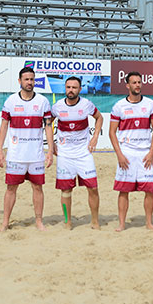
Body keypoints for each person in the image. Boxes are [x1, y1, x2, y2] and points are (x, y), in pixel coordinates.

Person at [0, 67, 54, 231]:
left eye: (32, 79)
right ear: (19, 81)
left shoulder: (42, 101)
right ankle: (5, 223)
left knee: (37, 188)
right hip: (16, 155)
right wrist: (0, 150)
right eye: (27, 79)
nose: (30, 82)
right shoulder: (11, 101)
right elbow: (4, 126)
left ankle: (39, 221)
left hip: (36, 155)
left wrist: (50, 151)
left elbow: (48, 127)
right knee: (11, 189)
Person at [109, 71, 153, 231]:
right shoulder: (119, 106)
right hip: (127, 154)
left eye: (139, 82)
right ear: (127, 85)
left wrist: (152, 152)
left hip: (145, 154)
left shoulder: (150, 104)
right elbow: (112, 132)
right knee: (124, 190)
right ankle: (122, 224)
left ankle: (149, 223)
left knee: (149, 190)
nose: (137, 85)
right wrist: (119, 155)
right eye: (134, 82)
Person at [51, 76, 104, 229]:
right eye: (68, 87)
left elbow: (99, 118)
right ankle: (67, 222)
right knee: (66, 190)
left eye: (74, 87)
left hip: (83, 154)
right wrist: (51, 143)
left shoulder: (86, 104)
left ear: (80, 89)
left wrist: (95, 138)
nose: (71, 90)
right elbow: (48, 122)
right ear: (65, 89)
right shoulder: (58, 106)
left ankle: (95, 221)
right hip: (65, 155)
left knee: (93, 188)